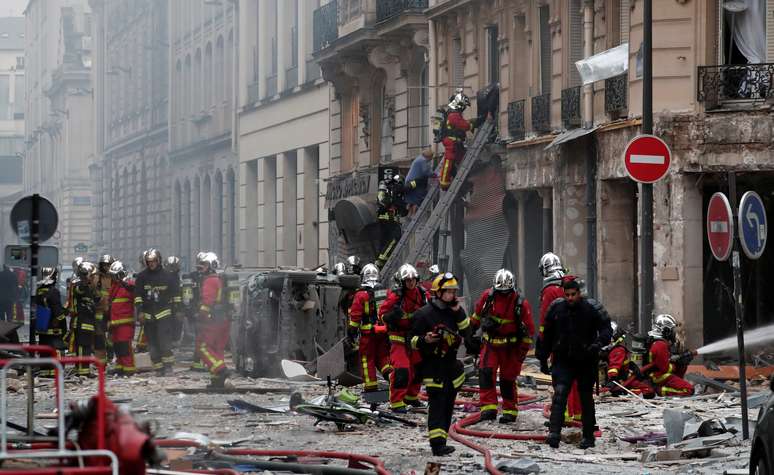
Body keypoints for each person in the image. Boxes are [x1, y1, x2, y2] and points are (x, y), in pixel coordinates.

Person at [537, 278, 612, 449]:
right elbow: (546, 335)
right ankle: (554, 434)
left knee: (585, 398)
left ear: (579, 293)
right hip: (563, 359)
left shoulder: (592, 308)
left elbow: (607, 329)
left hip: (586, 359)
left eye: (573, 294)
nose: (570, 298)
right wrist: (542, 357)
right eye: (567, 295)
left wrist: (598, 344)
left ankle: (588, 437)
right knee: (560, 394)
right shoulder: (556, 308)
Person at [410, 272, 472, 456]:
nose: (452, 295)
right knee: (437, 403)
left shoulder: (455, 312)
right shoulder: (424, 314)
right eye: (448, 291)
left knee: (448, 404)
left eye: (453, 291)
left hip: (451, 365)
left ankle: (442, 441)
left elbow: (467, 332)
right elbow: (410, 341)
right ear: (438, 292)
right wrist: (425, 340)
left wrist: (459, 312)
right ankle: (437, 445)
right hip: (432, 366)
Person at [470, 269, 534, 423]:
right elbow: (476, 316)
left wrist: (521, 354)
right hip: (490, 345)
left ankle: (509, 411)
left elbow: (529, 331)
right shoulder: (488, 297)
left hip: (510, 348)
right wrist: (470, 334)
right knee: (486, 374)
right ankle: (488, 408)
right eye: (500, 292)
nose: (503, 294)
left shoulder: (520, 303)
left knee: (507, 379)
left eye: (506, 292)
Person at [535, 253, 582, 425]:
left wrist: (543, 348)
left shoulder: (550, 290)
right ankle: (577, 414)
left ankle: (564, 416)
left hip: (560, 342)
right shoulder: (571, 284)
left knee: (562, 379)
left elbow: (545, 322)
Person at [380, 264, 429, 413]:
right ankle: (396, 402)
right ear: (402, 281)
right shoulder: (396, 296)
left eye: (413, 279)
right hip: (399, 338)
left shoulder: (422, 294)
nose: (411, 282)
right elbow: (381, 314)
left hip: (415, 337)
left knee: (419, 369)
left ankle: (411, 397)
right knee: (402, 369)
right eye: (407, 280)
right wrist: (390, 316)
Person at [347, 263, 392, 392]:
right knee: (383, 357)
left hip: (368, 334)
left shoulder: (361, 294)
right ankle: (391, 376)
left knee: (367, 360)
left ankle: (371, 387)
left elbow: (355, 315)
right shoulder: (385, 292)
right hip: (384, 332)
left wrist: (352, 331)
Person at [133, 249, 177, 376]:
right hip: (148, 316)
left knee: (164, 342)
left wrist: (177, 311)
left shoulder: (168, 276)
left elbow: (175, 295)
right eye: (149, 262)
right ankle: (158, 368)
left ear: (159, 261)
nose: (151, 264)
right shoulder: (142, 277)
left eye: (153, 261)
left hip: (164, 314)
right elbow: (138, 296)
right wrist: (140, 312)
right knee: (152, 344)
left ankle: (168, 367)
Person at [196, 252, 232, 388]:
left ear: (212, 265)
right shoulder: (220, 279)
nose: (201, 267)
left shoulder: (210, 280)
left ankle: (221, 370)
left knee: (202, 347)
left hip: (212, 321)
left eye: (204, 264)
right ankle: (218, 381)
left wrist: (200, 316)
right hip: (223, 320)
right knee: (217, 349)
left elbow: (207, 302)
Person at [641, 314, 695, 397]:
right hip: (658, 377)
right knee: (689, 390)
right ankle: (660, 390)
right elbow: (665, 369)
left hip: (655, 375)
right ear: (666, 330)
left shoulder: (655, 340)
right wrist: (677, 363)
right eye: (672, 330)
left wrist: (681, 361)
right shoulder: (660, 345)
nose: (674, 333)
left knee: (682, 366)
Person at [604, 322, 654, 398]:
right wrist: (613, 379)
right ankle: (623, 392)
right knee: (648, 391)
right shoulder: (618, 350)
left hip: (622, 379)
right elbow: (614, 366)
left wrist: (632, 366)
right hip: (620, 381)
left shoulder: (613, 350)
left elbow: (621, 363)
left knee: (647, 389)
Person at [439, 89, 473, 191]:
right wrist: (471, 124)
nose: (464, 108)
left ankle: (462, 178)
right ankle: (444, 182)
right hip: (451, 142)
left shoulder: (452, 113)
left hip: (455, 142)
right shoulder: (453, 115)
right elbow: (463, 125)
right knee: (449, 160)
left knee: (461, 158)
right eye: (464, 105)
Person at [35, 267, 66, 375]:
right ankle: (55, 372)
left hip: (42, 328)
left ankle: (45, 371)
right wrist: (64, 325)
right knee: (56, 349)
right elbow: (58, 312)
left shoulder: (38, 291)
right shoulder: (54, 292)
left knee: (44, 349)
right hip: (54, 329)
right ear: (54, 277)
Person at [107, 261, 136, 377]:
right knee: (117, 346)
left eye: (115, 275)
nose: (113, 278)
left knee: (125, 346)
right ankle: (120, 367)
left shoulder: (129, 285)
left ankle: (129, 369)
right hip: (115, 323)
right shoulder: (115, 286)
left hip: (125, 322)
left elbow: (136, 296)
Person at [72, 262, 100, 377]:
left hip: (88, 322)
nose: (94, 278)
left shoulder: (89, 288)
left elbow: (97, 299)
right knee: (82, 347)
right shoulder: (79, 286)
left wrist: (94, 286)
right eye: (92, 276)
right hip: (81, 322)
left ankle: (84, 370)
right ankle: (82, 371)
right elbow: (80, 290)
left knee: (86, 347)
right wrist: (86, 280)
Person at [374, 174, 408, 269]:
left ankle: (380, 262)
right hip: (388, 219)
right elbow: (383, 202)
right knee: (395, 238)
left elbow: (402, 211)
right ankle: (381, 261)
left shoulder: (392, 191)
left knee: (384, 241)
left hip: (385, 220)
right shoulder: (392, 190)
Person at [95, 254, 115, 365]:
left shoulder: (115, 277)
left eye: (108, 265)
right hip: (100, 311)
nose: (106, 267)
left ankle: (110, 355)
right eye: (104, 265)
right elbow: (93, 292)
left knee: (111, 336)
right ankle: (101, 360)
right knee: (100, 336)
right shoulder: (97, 278)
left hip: (112, 310)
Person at [405, 149, 435, 216]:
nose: (431, 159)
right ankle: (414, 215)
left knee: (411, 198)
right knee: (418, 196)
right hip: (415, 182)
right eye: (431, 157)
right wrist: (434, 174)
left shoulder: (419, 158)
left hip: (410, 182)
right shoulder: (423, 160)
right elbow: (426, 172)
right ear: (429, 156)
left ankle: (409, 215)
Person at [164, 256, 184, 343]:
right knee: (174, 325)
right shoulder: (173, 277)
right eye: (172, 266)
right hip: (171, 306)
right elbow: (176, 294)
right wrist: (178, 309)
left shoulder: (173, 277)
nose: (173, 269)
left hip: (168, 306)